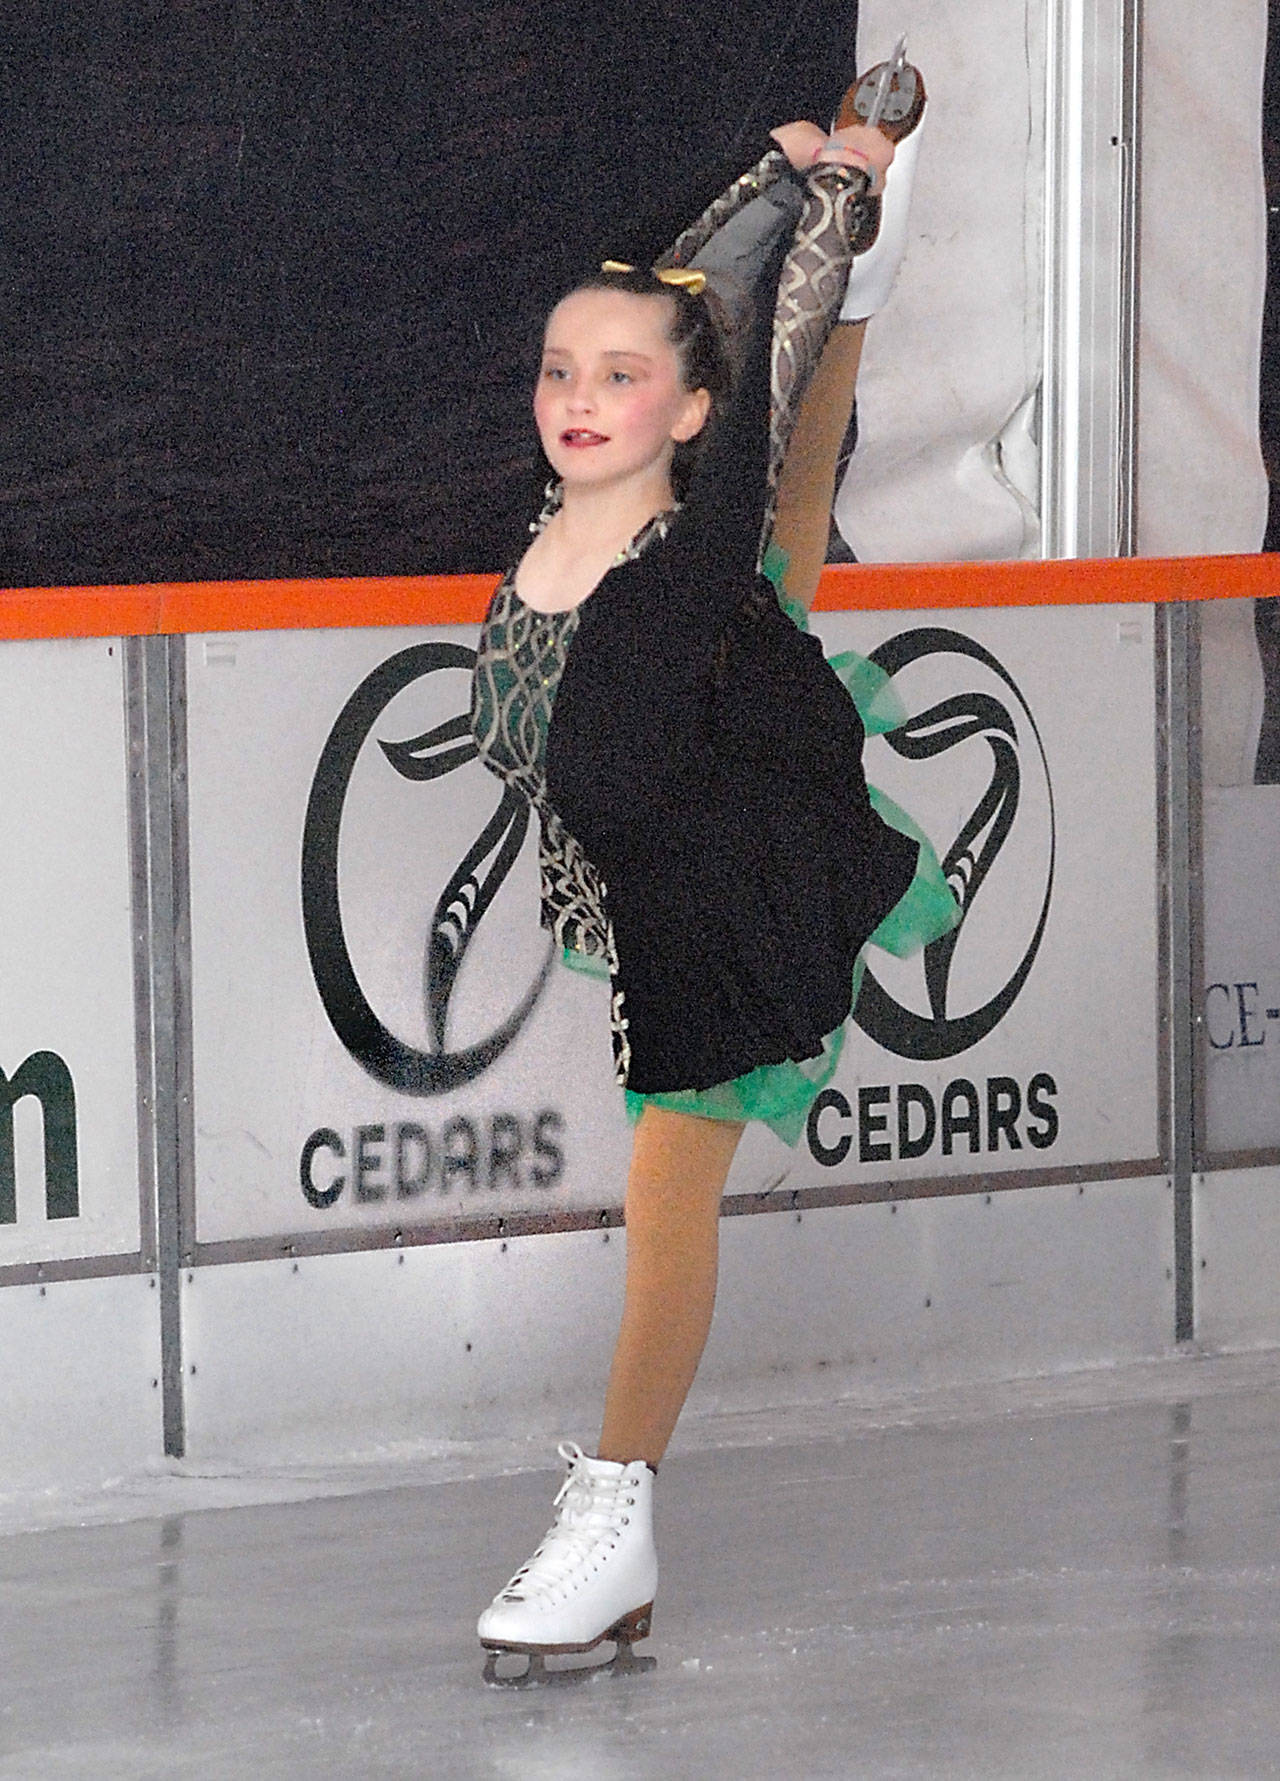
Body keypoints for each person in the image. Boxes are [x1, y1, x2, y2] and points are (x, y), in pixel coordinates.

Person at [468, 55, 954, 1684]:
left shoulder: (683, 527)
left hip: (723, 869)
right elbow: (661, 291)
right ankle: (869, 242)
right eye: (557, 372)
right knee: (787, 549)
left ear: (684, 407)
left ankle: (615, 1517)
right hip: (663, 796)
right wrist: (777, 177)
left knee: (668, 1182)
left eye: (621, 380)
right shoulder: (554, 511)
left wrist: (835, 221)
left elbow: (763, 362)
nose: (581, 393)